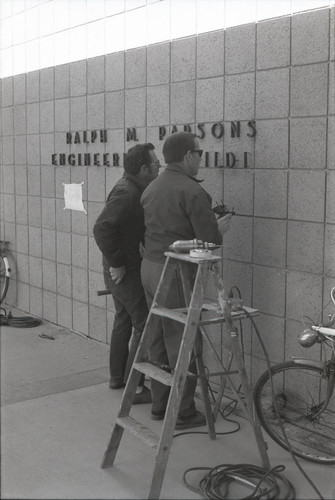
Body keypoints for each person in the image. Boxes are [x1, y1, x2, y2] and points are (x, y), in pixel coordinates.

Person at [140, 132, 232, 427]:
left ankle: (160, 404)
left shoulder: (152, 186)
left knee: (157, 336)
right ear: (187, 156)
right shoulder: (193, 192)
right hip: (175, 273)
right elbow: (208, 239)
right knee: (184, 340)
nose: (200, 159)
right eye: (199, 153)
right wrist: (219, 228)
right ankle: (184, 412)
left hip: (151, 268)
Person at [93, 143, 160, 404]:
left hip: (122, 268)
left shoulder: (132, 188)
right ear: (144, 169)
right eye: (156, 164)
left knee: (123, 319)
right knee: (143, 324)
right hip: (124, 271)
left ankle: (117, 378)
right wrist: (118, 262)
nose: (158, 168)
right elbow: (101, 228)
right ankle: (136, 390)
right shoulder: (127, 192)